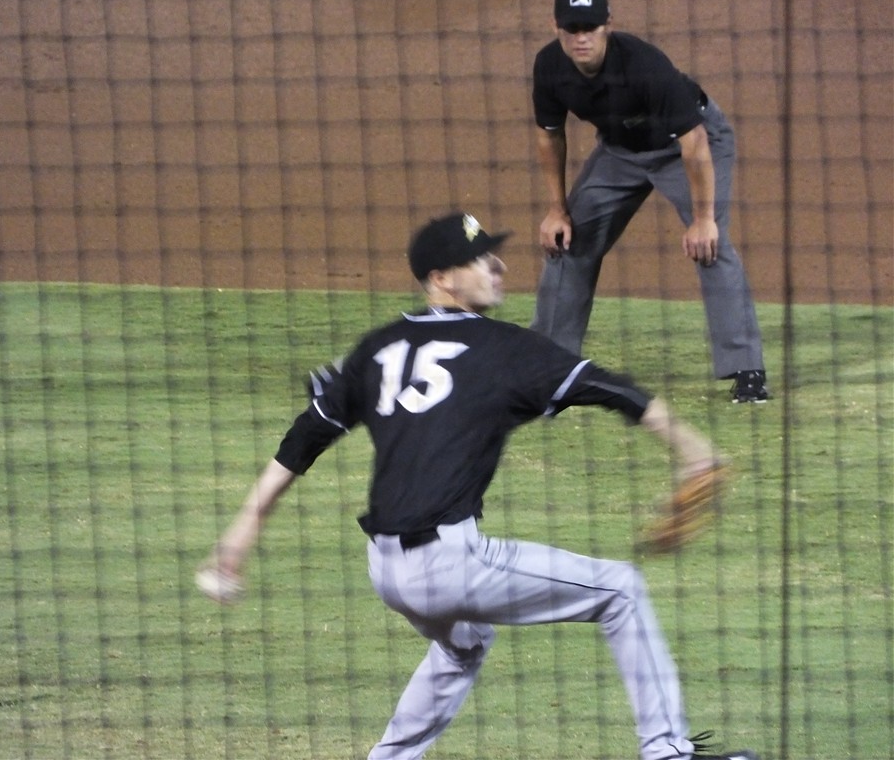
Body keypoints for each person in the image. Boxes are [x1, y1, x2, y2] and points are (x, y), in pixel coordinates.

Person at [197, 212, 760, 760]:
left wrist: (241, 533)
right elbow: (616, 391)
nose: (498, 266)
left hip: (387, 572)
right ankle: (668, 752)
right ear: (441, 278)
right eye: (479, 259)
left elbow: (302, 440)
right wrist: (694, 451)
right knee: (622, 590)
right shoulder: (505, 348)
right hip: (451, 564)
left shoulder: (377, 347)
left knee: (464, 644)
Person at [531, 0, 768, 403]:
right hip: (620, 152)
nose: (581, 37)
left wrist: (703, 219)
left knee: (709, 244)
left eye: (590, 27)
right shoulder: (550, 66)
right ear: (556, 28)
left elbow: (694, 143)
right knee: (567, 239)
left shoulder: (643, 65)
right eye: (571, 28)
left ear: (608, 25)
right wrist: (557, 210)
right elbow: (549, 136)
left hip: (687, 147)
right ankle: (548, 365)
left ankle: (747, 369)